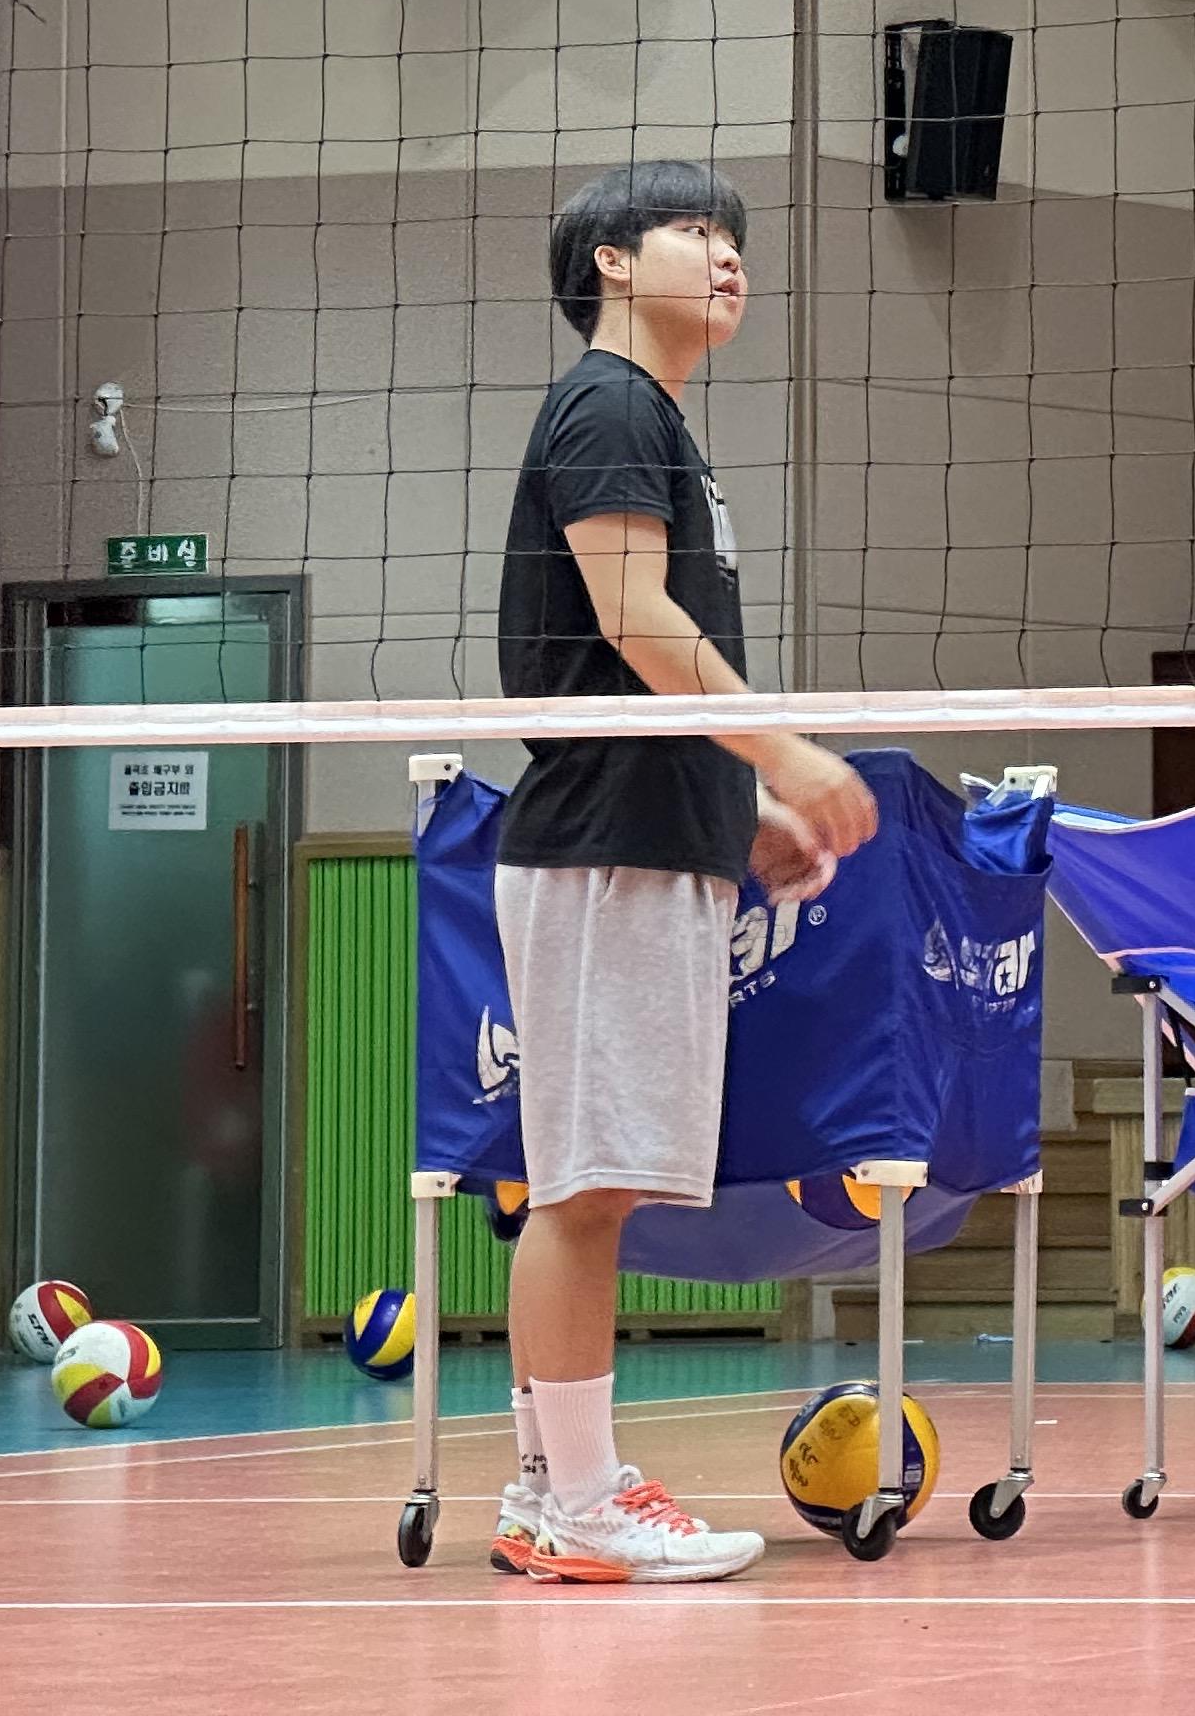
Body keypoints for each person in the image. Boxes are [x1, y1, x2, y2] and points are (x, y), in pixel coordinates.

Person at [489, 161, 883, 1582]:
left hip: (647, 834)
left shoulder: (655, 419)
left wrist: (738, 809)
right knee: (586, 1189)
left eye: (734, 240)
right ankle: (581, 1503)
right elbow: (632, 618)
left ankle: (552, 1490)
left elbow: (632, 667)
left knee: (589, 1184)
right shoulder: (607, 402)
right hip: (603, 847)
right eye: (694, 232)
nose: (728, 259)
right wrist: (785, 753)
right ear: (609, 260)